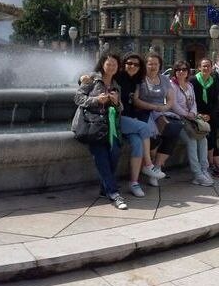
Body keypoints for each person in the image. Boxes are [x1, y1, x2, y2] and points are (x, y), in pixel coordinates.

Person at [80, 52, 166, 198]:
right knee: (144, 128)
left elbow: (132, 102)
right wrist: (82, 78)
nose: (132, 66)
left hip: (126, 118)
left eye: (136, 64)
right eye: (129, 63)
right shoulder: (117, 77)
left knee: (137, 142)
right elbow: (94, 77)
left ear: (140, 67)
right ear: (123, 65)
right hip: (115, 120)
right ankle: (148, 165)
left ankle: (134, 183)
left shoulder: (138, 80)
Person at [74, 52, 127, 209]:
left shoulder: (116, 86)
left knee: (115, 154)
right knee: (101, 157)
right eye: (108, 64)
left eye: (114, 65)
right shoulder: (92, 79)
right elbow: (77, 98)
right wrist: (96, 100)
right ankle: (114, 193)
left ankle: (105, 189)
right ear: (102, 64)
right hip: (92, 126)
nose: (111, 67)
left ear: (118, 67)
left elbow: (120, 108)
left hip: (111, 127)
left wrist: (117, 103)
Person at [133, 52, 183, 187]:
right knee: (152, 136)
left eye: (156, 64)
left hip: (160, 112)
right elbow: (136, 100)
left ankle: (156, 167)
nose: (153, 66)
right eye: (150, 63)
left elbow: (171, 99)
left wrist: (165, 107)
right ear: (145, 65)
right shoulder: (140, 79)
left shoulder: (165, 79)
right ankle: (151, 167)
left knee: (175, 128)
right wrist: (153, 106)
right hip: (143, 111)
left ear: (160, 65)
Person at [170, 60, 214, 186]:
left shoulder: (189, 85)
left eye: (184, 69)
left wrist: (193, 113)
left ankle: (204, 169)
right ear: (175, 71)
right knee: (192, 141)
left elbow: (194, 102)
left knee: (203, 139)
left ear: (188, 72)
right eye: (178, 69)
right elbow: (173, 105)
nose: (181, 72)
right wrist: (187, 114)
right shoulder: (172, 85)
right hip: (178, 119)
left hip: (190, 118)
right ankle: (197, 174)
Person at [190, 58, 219, 178]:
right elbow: (191, 101)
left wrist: (210, 115)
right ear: (199, 68)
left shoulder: (214, 81)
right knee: (208, 137)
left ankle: (215, 166)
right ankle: (215, 166)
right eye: (203, 66)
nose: (206, 68)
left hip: (211, 115)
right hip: (197, 115)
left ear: (211, 68)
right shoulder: (193, 81)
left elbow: (216, 102)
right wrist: (199, 114)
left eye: (208, 66)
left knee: (213, 137)